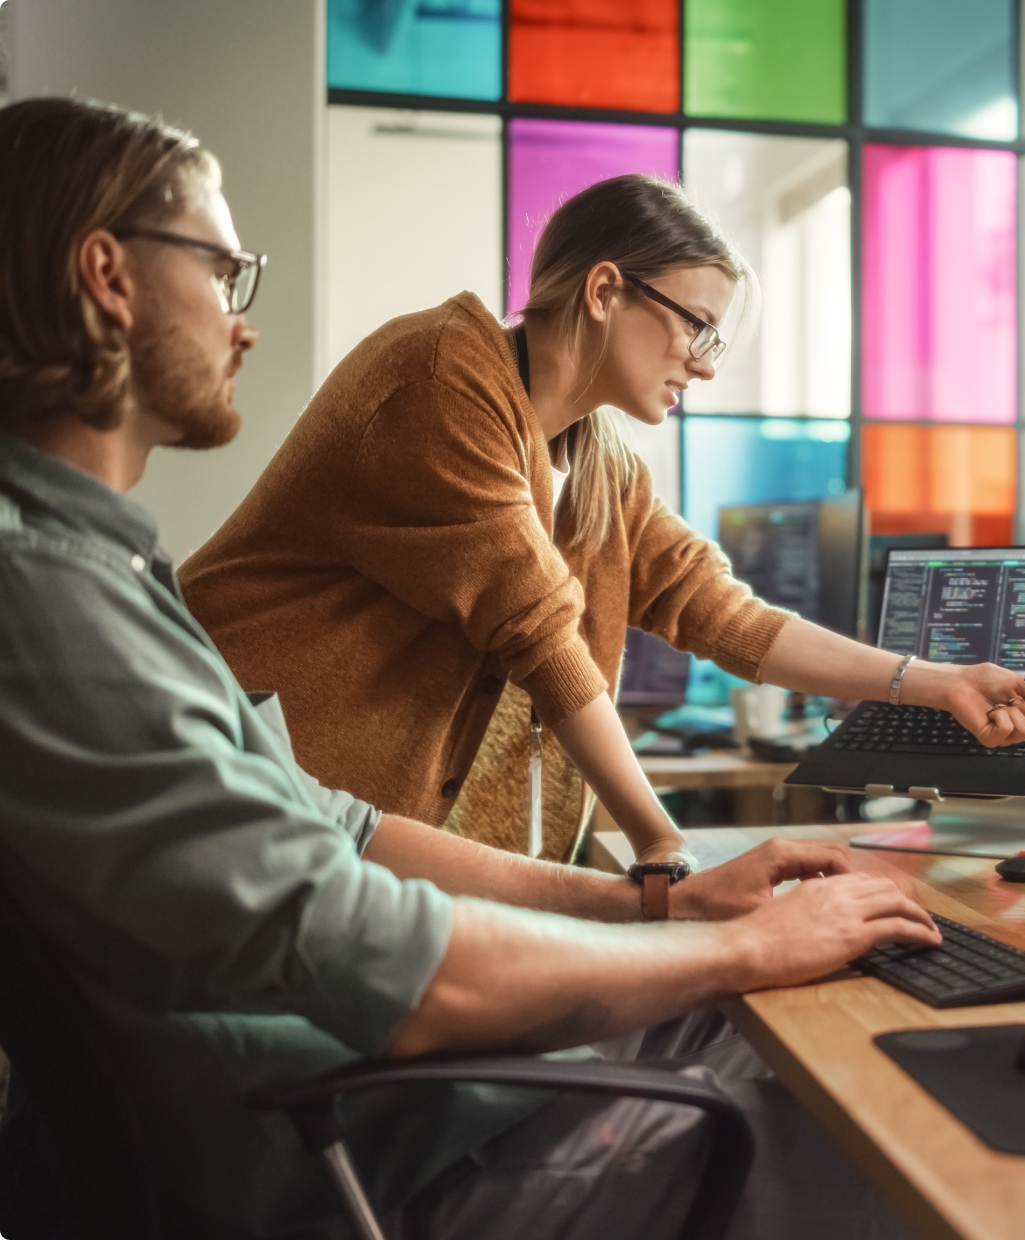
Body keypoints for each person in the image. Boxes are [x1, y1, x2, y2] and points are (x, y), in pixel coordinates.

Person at [0, 96, 942, 1240]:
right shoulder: (47, 602)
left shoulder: (106, 577)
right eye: (222, 271)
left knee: (777, 1023)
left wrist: (668, 901)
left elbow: (339, 829)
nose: (244, 323)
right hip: (352, 1136)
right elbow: (373, 936)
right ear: (108, 275)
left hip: (380, 1073)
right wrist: (715, 921)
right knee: (875, 1140)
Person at [177, 174, 1025, 868]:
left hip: (360, 849)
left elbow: (723, 614)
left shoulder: (597, 462)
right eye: (696, 330)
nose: (704, 368)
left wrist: (939, 682)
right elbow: (541, 636)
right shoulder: (444, 379)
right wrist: (663, 843)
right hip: (233, 804)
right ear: (605, 290)